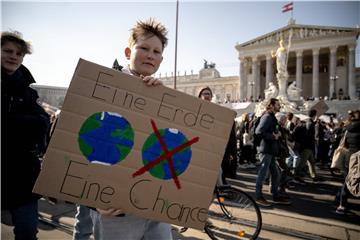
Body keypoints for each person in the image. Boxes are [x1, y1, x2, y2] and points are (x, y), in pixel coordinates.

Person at [88, 18, 173, 240]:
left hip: (155, 206)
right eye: (143, 48)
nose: (150, 55)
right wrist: (92, 199)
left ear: (161, 60)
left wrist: (163, 101)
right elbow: (81, 141)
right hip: (114, 208)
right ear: (128, 52)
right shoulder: (105, 87)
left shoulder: (162, 95)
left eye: (156, 51)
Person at [1, 31, 50, 240]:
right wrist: (24, 123)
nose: (14, 56)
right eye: (8, 51)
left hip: (23, 174)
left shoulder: (30, 92)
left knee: (28, 230)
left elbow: (43, 123)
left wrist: (12, 122)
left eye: (19, 53)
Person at [254, 98, 291, 206]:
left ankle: (275, 195)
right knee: (262, 173)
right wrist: (273, 136)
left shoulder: (271, 117)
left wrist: (277, 133)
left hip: (270, 150)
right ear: (271, 105)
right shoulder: (267, 117)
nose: (279, 106)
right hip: (266, 150)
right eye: (277, 104)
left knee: (276, 173)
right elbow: (259, 132)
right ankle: (258, 196)